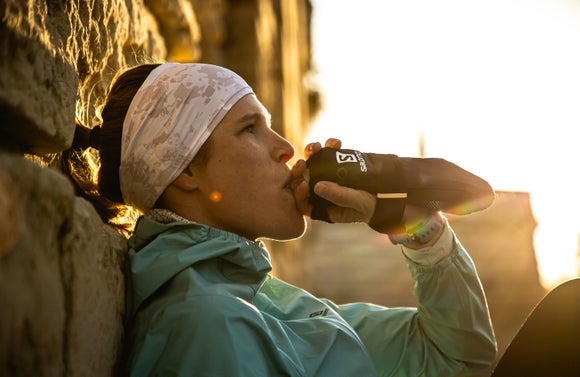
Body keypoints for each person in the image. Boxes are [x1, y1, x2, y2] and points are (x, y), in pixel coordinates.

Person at [64, 62, 497, 376]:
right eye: (249, 129)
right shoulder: (208, 327)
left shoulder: (273, 305)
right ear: (185, 171)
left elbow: (458, 358)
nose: (287, 147)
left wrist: (411, 222)